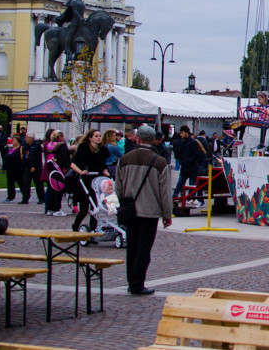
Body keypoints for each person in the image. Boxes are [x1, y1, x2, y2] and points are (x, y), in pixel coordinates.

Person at [115, 124, 173, 296]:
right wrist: (167, 214)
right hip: (150, 211)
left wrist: (123, 203)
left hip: (130, 210)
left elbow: (118, 187)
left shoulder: (124, 159)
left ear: (138, 139)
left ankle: (131, 281)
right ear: (152, 140)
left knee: (132, 246)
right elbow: (165, 192)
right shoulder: (160, 162)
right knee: (144, 249)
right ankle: (137, 282)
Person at [71, 128, 110, 235]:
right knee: (84, 208)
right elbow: (73, 164)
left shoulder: (102, 150)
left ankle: (92, 228)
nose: (98, 138)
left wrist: (105, 171)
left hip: (96, 181)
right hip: (86, 180)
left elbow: (103, 165)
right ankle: (75, 226)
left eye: (99, 136)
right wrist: (81, 171)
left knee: (96, 207)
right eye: (96, 136)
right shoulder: (83, 148)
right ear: (90, 138)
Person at [172, 126, 206, 206]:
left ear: (186, 133)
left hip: (192, 167)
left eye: (182, 133)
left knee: (193, 184)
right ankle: (175, 197)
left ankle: (192, 198)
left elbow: (197, 154)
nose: (181, 134)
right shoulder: (183, 142)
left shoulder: (192, 142)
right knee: (181, 183)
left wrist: (189, 160)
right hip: (185, 167)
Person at [44, 130, 69, 216]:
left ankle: (50, 208)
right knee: (59, 189)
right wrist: (67, 166)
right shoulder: (61, 145)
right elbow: (65, 159)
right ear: (61, 136)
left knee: (52, 189)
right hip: (59, 169)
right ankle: (56, 209)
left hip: (52, 169)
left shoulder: (50, 145)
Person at [21, 132, 45, 204]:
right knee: (26, 184)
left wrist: (34, 166)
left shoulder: (37, 145)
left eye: (26, 138)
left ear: (31, 138)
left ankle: (41, 198)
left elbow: (38, 157)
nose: (25, 139)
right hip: (27, 166)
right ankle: (25, 198)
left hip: (35, 168)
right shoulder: (25, 146)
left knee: (38, 183)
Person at [2, 135, 24, 203]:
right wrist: (4, 167)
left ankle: (25, 195)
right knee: (10, 183)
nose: (13, 142)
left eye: (14, 140)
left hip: (17, 169)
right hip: (10, 169)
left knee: (21, 183)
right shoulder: (11, 149)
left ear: (18, 141)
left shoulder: (21, 149)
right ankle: (10, 197)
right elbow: (6, 158)